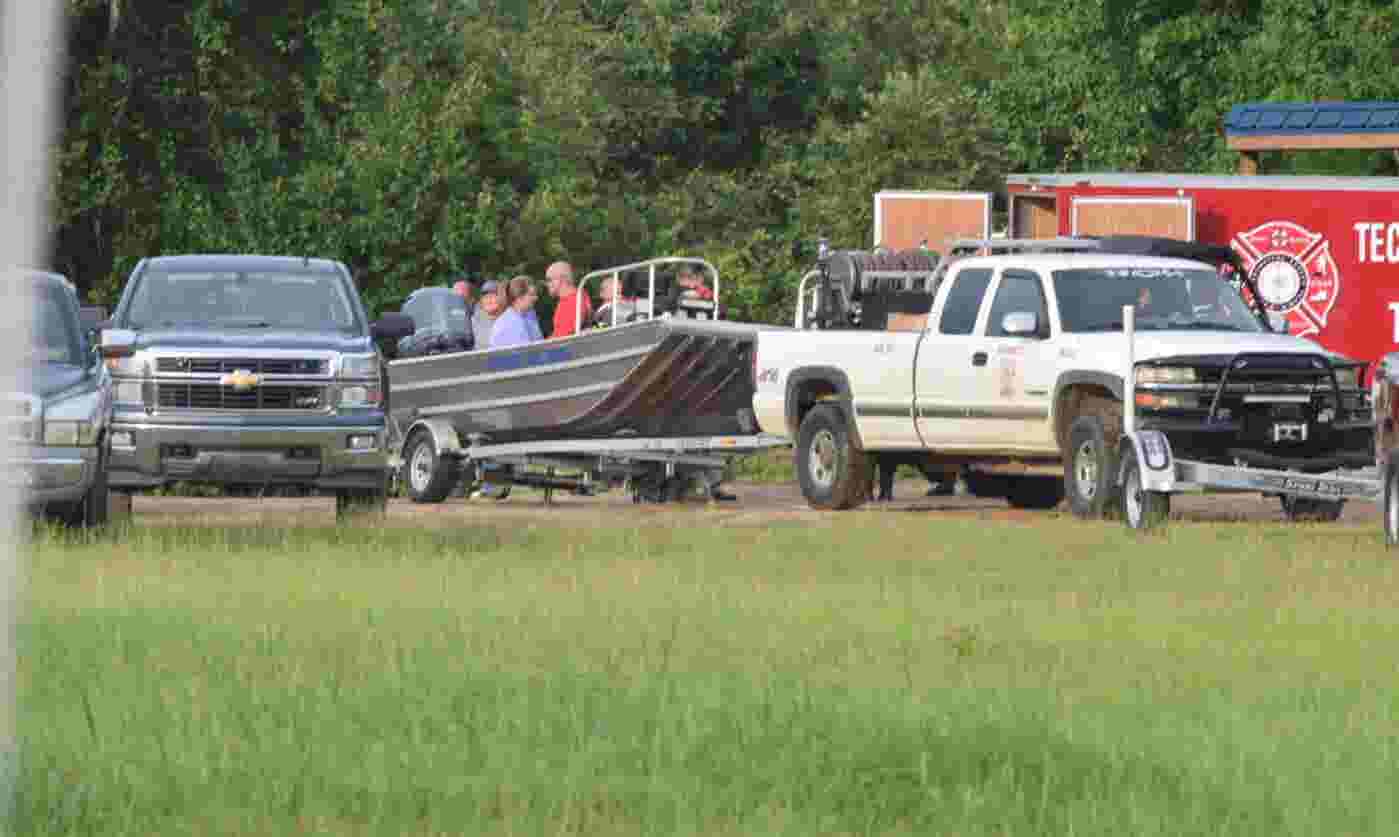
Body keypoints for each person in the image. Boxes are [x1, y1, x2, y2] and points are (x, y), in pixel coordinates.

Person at [489, 275, 543, 349]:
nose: (536, 298)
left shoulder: (530, 314)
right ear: (519, 298)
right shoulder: (508, 323)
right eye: (532, 295)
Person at [546, 261, 591, 338]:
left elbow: (563, 336)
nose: (547, 284)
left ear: (562, 279)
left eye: (549, 280)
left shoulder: (573, 301)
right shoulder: (571, 298)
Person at [472, 279, 504, 348]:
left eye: (493, 296)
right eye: (485, 297)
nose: (489, 300)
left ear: (502, 298)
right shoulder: (473, 322)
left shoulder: (510, 319)